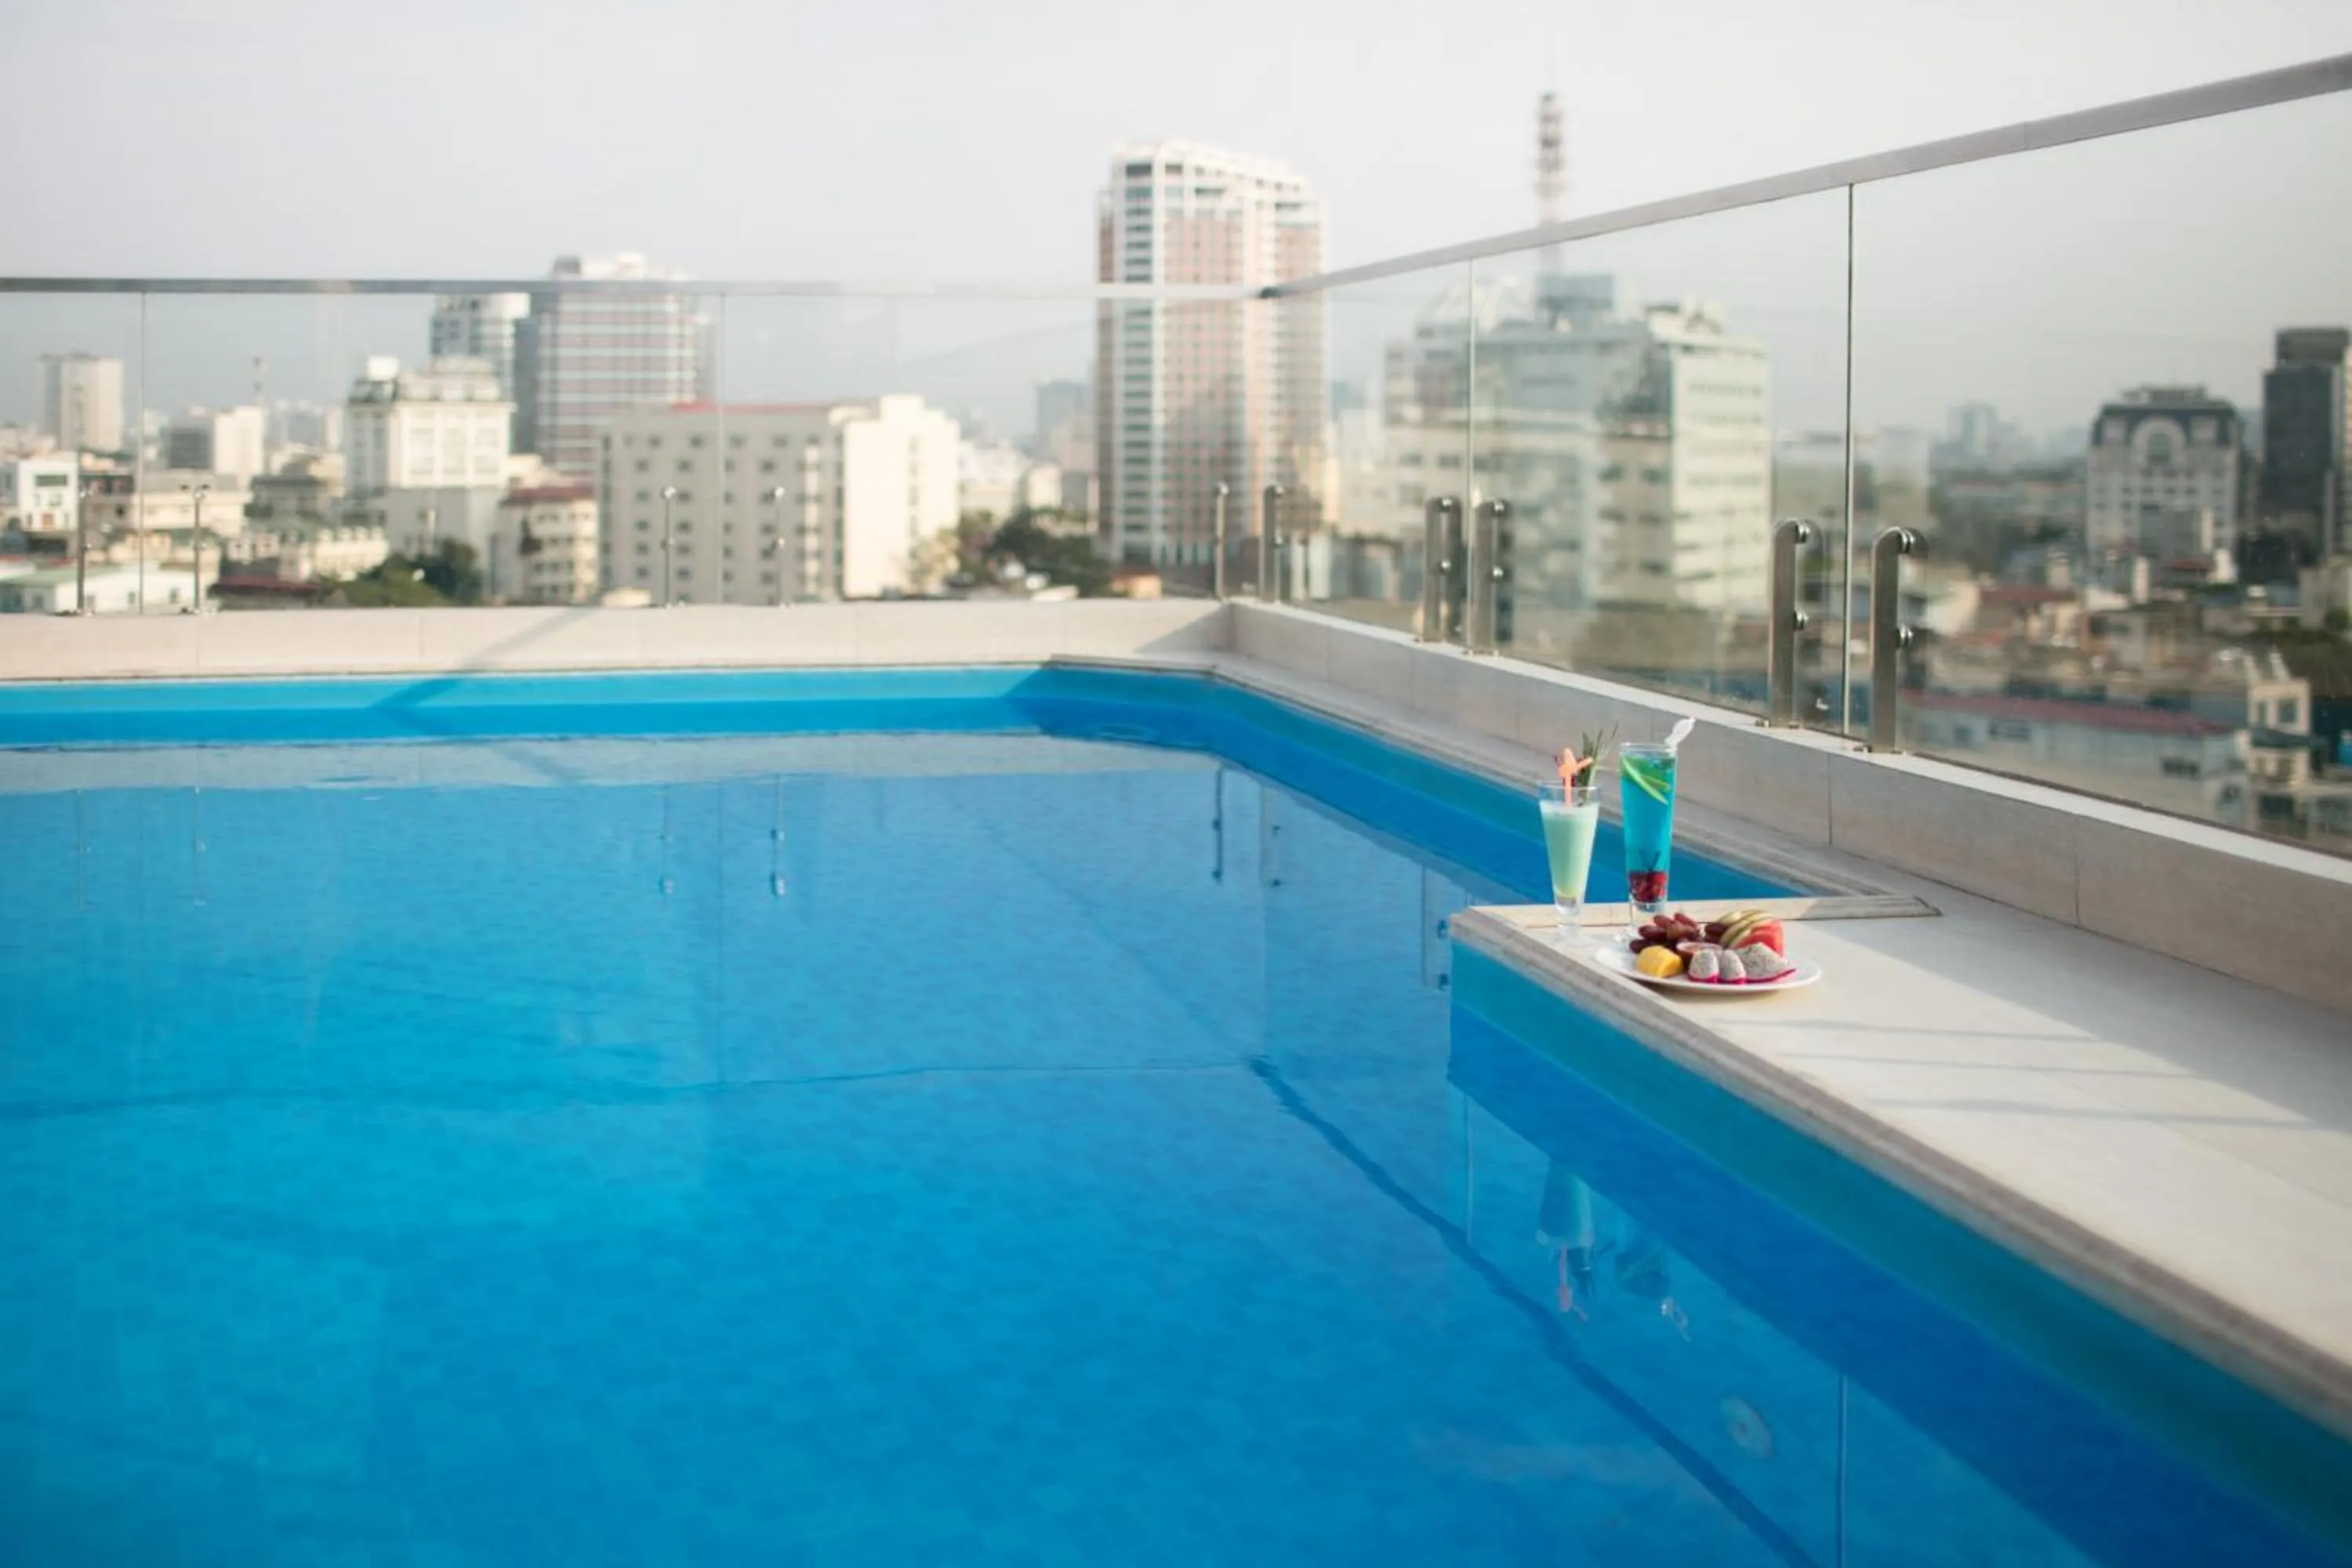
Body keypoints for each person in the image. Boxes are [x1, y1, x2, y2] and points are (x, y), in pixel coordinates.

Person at [1535, 1160, 1597, 1319]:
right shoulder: (1564, 1289)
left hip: (1575, 1248)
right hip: (1575, 1248)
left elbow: (1563, 1264)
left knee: (1583, 1274)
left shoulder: (1564, 1288)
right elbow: (1563, 1264)